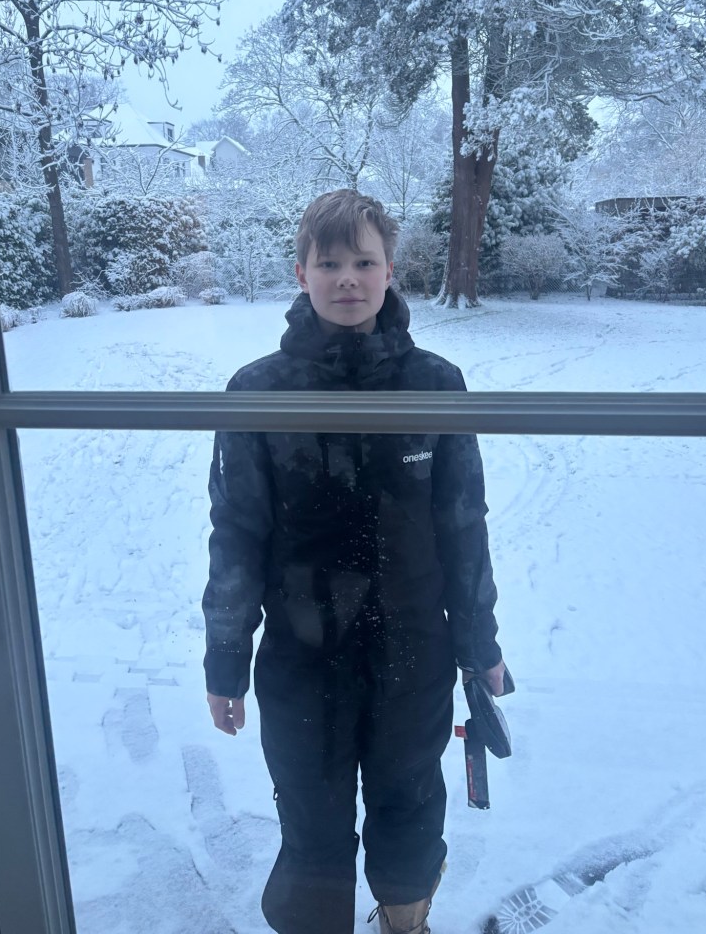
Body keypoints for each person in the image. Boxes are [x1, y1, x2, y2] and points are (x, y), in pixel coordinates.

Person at [203, 189, 505, 934]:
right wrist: (225, 658)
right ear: (300, 273)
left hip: (414, 653)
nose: (347, 278)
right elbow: (236, 534)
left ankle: (406, 925)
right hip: (302, 657)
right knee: (311, 822)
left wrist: (480, 645)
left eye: (364, 263)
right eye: (329, 263)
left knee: (410, 808)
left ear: (390, 271)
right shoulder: (257, 391)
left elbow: (463, 526)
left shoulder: (435, 384)